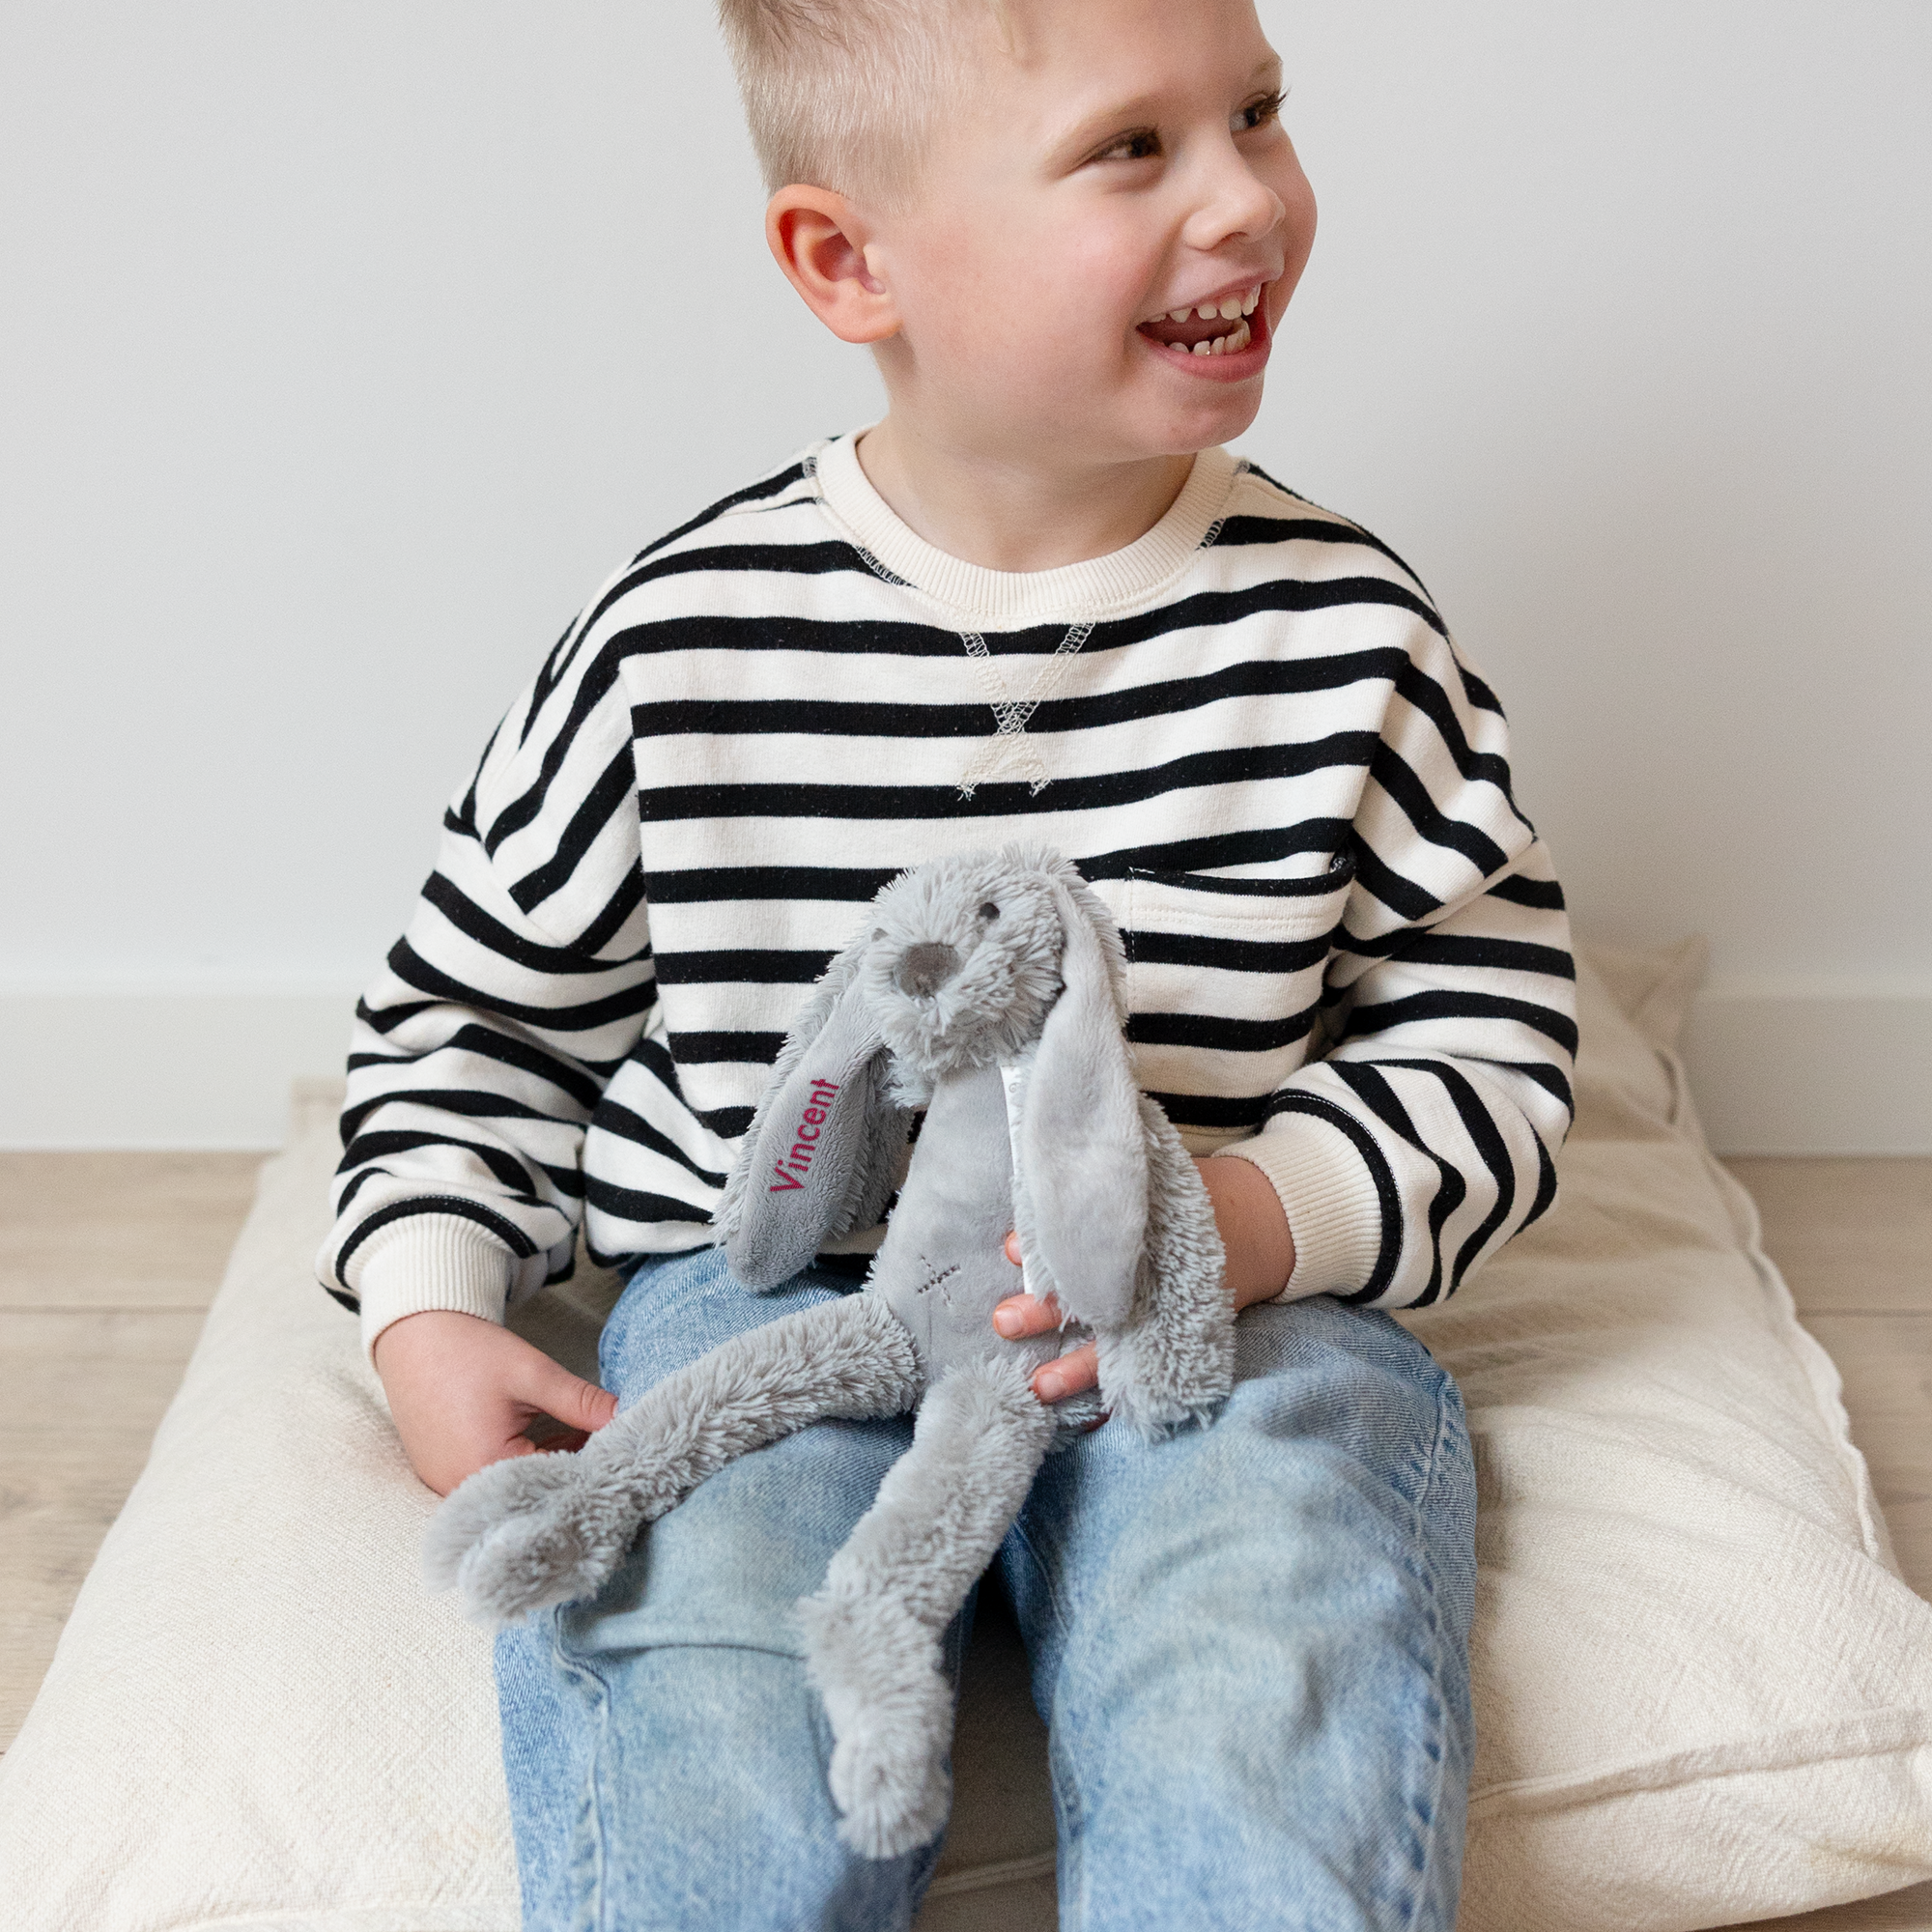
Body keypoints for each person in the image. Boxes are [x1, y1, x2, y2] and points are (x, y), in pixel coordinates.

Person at [320, 0, 1577, 1924]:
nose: (1247, 195)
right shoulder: (679, 644)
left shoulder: (1351, 636)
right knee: (708, 1683)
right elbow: (470, 1023)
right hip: (772, 1314)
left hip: (1208, 1320)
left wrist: (1250, 1215)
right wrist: (425, 1306)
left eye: (1255, 113)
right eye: (1131, 149)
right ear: (849, 261)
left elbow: (1482, 1035)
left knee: (1258, 1657)